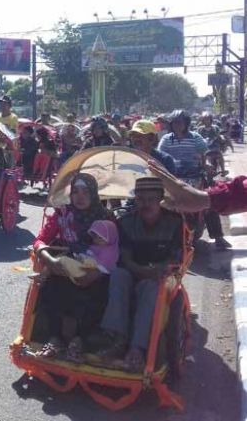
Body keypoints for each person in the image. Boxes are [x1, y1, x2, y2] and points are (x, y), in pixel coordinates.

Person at [94, 177, 183, 372]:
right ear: (135, 198)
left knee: (152, 286)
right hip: (134, 269)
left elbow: (175, 257)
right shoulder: (126, 222)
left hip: (160, 274)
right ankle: (117, 339)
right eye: (141, 199)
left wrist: (156, 270)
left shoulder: (174, 222)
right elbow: (124, 257)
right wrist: (141, 270)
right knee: (118, 275)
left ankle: (137, 348)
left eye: (151, 199)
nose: (146, 204)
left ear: (160, 198)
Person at [33, 173, 115, 361]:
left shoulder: (106, 218)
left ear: (94, 194)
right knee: (52, 284)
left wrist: (96, 273)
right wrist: (50, 260)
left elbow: (114, 250)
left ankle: (80, 340)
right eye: (75, 191)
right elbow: (40, 241)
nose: (80, 197)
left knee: (100, 290)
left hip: (96, 272)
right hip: (65, 269)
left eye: (85, 192)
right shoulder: (62, 214)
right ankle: (55, 338)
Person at [158, 109, 231, 250]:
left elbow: (206, 155)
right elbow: (160, 157)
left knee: (210, 201)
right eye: (174, 123)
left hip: (195, 175)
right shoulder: (166, 139)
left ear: (186, 123)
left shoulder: (195, 137)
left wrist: (208, 165)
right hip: (174, 177)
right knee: (161, 203)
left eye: (180, 122)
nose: (176, 125)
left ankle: (218, 237)